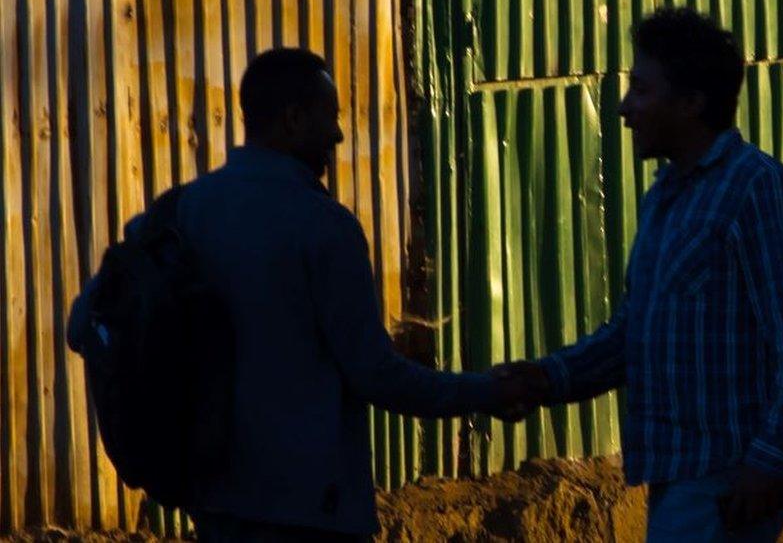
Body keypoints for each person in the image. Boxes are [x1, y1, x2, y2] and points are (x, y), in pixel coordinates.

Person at [99, 49, 524, 541]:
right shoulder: (325, 228)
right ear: (294, 119)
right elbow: (375, 374)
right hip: (310, 513)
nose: (339, 135)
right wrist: (486, 391)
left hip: (218, 509)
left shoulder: (180, 212)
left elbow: (89, 322)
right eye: (332, 117)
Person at [496, 8, 783, 542]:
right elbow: (634, 334)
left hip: (726, 479)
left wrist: (771, 460)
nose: (624, 108)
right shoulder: (667, 197)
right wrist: (545, 377)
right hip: (679, 474)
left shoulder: (757, 190)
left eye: (641, 91)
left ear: (693, 102)